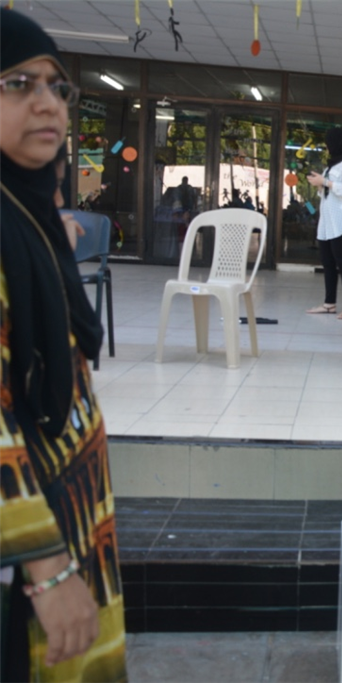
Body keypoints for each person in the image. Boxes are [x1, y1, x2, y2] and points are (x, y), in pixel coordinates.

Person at [0, 10, 127, 682]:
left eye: (56, 86)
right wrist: (47, 568)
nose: (48, 102)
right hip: (24, 558)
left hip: (64, 516)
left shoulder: (28, 211)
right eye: (17, 83)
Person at [306, 127, 342, 319]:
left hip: (341, 221)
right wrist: (320, 184)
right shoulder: (331, 166)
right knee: (327, 263)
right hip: (326, 223)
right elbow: (329, 191)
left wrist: (326, 182)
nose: (327, 147)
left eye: (329, 143)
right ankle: (329, 304)